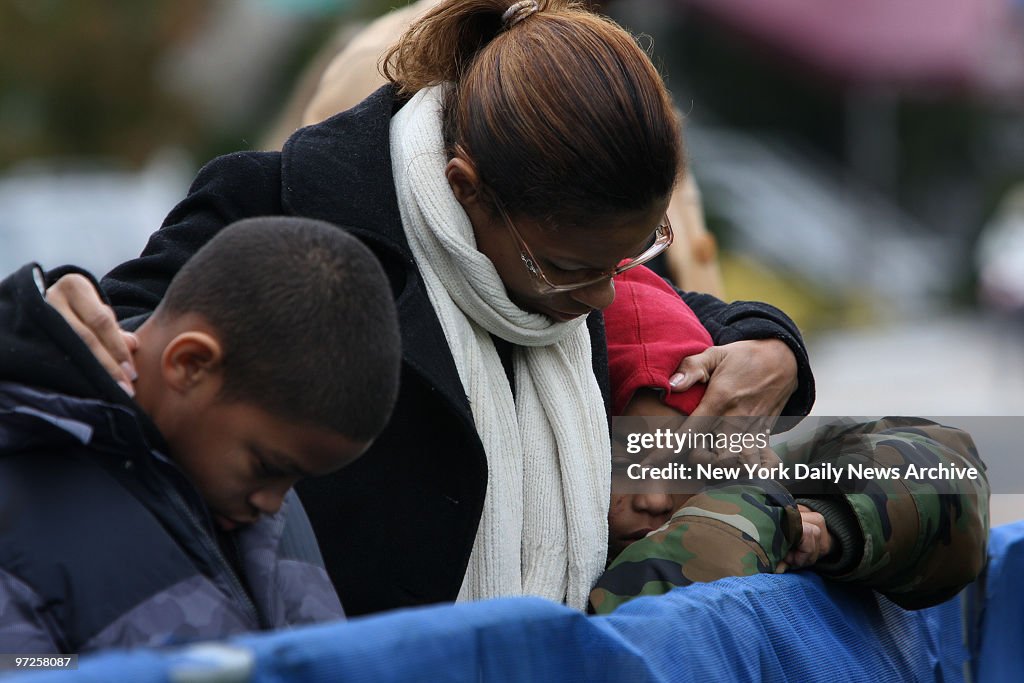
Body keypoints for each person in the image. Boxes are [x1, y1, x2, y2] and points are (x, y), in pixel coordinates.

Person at [45, 0, 814, 615]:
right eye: (572, 267)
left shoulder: (572, 279)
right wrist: (40, 320)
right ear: (466, 186)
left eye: (637, 253)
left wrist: (771, 344)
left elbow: (690, 319)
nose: (603, 296)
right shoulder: (273, 211)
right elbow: (112, 352)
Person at [0, 217, 402, 653]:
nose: (272, 504)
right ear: (190, 364)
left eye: (293, 483)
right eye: (267, 469)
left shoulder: (262, 491)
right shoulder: (20, 496)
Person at [589, 266, 990, 614]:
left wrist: (829, 524)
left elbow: (948, 477)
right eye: (624, 462)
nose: (654, 499)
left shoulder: (739, 471)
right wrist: (751, 519)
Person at [267, 0, 724, 295]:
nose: (602, 295)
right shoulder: (394, 60)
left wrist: (752, 335)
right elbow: (309, 223)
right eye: (564, 267)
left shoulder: (621, 76)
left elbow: (667, 268)